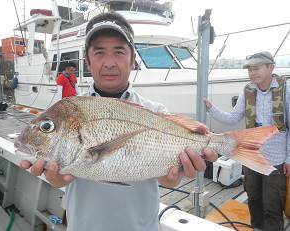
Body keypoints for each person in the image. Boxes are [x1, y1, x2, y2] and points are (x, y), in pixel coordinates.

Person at [20, 12, 217, 231]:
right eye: (99, 52)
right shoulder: (71, 109)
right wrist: (56, 179)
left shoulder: (156, 112)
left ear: (133, 59)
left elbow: (168, 180)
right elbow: (62, 176)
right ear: (87, 60)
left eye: (119, 51)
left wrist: (174, 177)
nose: (109, 63)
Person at [204, 51, 290, 231]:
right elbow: (233, 118)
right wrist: (211, 109)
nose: (252, 73)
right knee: (253, 199)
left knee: (273, 206)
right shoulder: (247, 91)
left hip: (276, 159)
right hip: (251, 156)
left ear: (271, 68)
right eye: (249, 69)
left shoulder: (286, 90)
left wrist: (289, 159)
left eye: (256, 68)